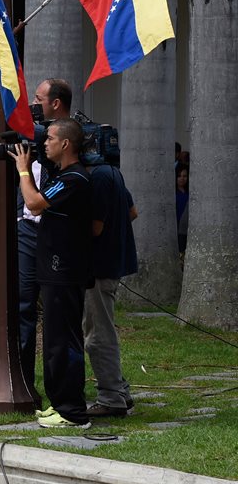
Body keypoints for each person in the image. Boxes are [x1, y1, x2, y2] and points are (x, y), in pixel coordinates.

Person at [10, 118, 94, 428]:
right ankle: (59, 402)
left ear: (66, 144)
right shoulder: (65, 175)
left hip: (65, 270)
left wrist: (22, 167)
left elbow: (32, 203)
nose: (45, 143)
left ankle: (73, 411)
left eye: (51, 138)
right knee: (55, 340)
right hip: (55, 269)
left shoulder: (73, 178)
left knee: (64, 341)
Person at [17, 78, 74, 390]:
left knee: (56, 312)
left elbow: (40, 201)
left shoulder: (70, 139)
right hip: (27, 230)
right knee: (23, 306)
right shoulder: (32, 136)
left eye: (38, 99)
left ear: (55, 103)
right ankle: (24, 384)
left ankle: (61, 388)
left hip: (55, 233)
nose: (33, 105)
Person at [83, 161, 138, 418]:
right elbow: (132, 212)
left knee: (98, 333)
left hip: (98, 269)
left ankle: (111, 396)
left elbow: (95, 227)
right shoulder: (113, 172)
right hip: (110, 265)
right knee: (100, 329)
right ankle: (119, 390)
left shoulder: (98, 178)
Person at [175, 163, 189, 254]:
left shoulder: (191, 193)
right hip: (177, 230)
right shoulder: (173, 194)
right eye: (179, 176)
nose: (182, 178)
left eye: (184, 176)